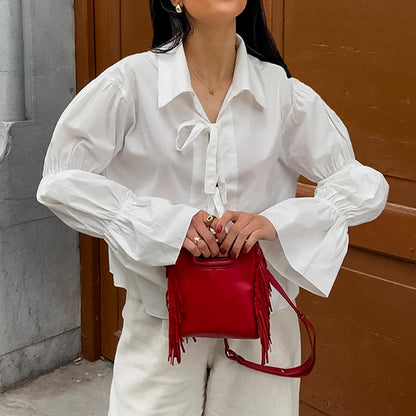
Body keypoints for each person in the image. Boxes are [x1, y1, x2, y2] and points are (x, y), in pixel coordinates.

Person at [37, 0, 389, 415]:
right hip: (162, 320)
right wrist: (164, 225)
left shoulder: (280, 92)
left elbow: (363, 185)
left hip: (262, 326)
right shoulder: (130, 84)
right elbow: (60, 179)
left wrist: (276, 222)